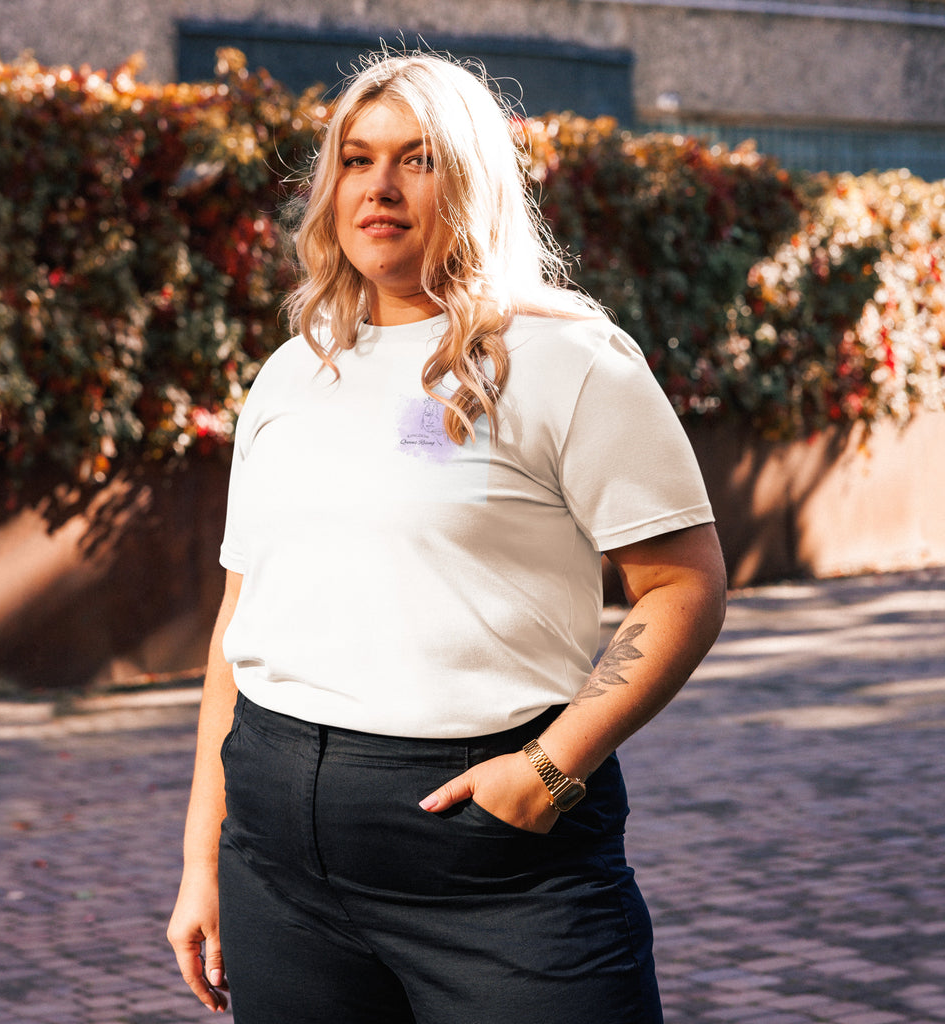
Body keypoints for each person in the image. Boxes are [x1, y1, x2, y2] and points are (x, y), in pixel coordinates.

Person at [167, 49, 727, 1023]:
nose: (378, 187)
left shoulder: (566, 358)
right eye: (355, 159)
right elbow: (239, 619)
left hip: (492, 855)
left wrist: (551, 768)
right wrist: (201, 859)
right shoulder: (291, 374)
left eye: (416, 160)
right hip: (278, 855)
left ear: (471, 180)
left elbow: (683, 585)